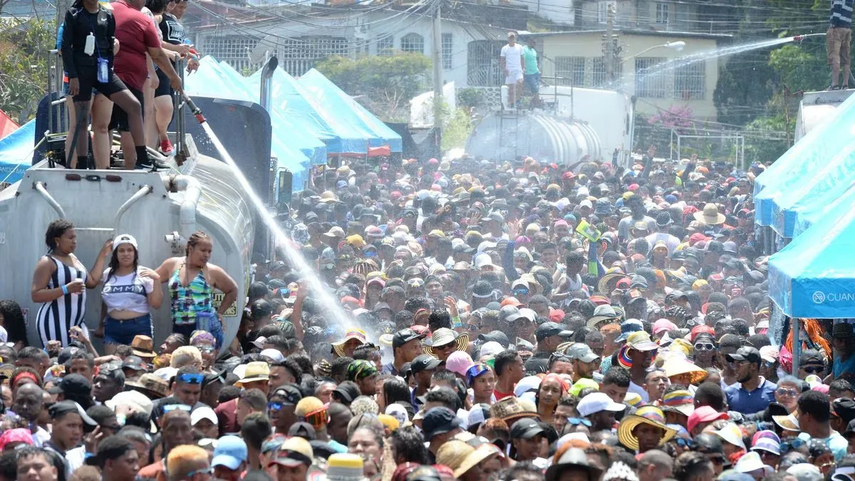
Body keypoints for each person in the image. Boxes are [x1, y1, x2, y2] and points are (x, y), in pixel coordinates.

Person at [110, 0, 182, 169]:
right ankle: (137, 162)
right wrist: (172, 76)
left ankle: (106, 164)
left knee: (107, 125)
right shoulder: (143, 17)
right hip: (128, 79)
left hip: (108, 77)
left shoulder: (107, 10)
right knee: (132, 119)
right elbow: (154, 52)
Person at [31, 220, 113, 347]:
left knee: (82, 356)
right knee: (61, 358)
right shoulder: (47, 262)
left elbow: (92, 282)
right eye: (70, 238)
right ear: (57, 240)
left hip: (77, 323)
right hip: (55, 322)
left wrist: (103, 254)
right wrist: (66, 289)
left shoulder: (73, 258)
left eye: (75, 238)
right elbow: (36, 295)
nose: (74, 241)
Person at [155, 231, 238, 347]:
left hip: (205, 327)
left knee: (202, 357)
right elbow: (153, 278)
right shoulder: (172, 264)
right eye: (203, 250)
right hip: (179, 326)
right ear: (190, 248)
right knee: (180, 357)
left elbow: (233, 290)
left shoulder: (212, 271)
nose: (207, 255)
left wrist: (220, 312)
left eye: (209, 251)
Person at [94, 234, 162, 352]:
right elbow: (106, 302)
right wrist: (101, 324)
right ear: (115, 254)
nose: (126, 254)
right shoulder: (108, 274)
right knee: (113, 363)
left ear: (135, 253)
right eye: (121, 250)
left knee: (138, 363)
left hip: (139, 328)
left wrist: (157, 280)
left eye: (130, 250)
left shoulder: (144, 273)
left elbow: (156, 304)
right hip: (112, 327)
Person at [725, 346, 777, 414]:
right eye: (734, 364)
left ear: (753, 366)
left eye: (740, 363)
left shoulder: (774, 391)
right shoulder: (729, 392)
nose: (735, 368)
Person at [828, 0, 854, 90]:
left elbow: (837, 9)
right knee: (845, 57)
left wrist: (832, 26)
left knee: (834, 56)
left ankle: (835, 84)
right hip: (847, 28)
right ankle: (845, 84)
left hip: (837, 28)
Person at [499, 31, 525, 109]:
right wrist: (504, 69)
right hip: (509, 70)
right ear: (508, 39)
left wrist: (523, 68)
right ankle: (512, 103)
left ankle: (518, 100)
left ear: (515, 38)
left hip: (518, 69)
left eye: (513, 38)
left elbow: (522, 58)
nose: (511, 39)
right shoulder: (504, 48)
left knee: (520, 82)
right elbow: (502, 60)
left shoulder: (519, 47)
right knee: (511, 89)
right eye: (510, 38)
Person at [522, 37, 540, 107]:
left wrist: (538, 70)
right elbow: (522, 60)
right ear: (529, 42)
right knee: (535, 88)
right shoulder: (524, 49)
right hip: (529, 73)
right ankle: (537, 103)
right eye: (534, 43)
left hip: (536, 73)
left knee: (536, 89)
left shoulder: (533, 51)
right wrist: (523, 69)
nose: (535, 44)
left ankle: (534, 103)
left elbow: (534, 61)